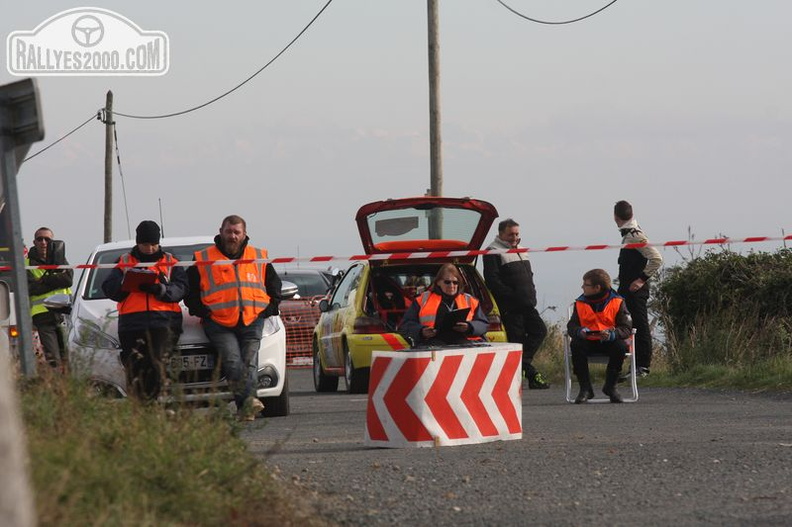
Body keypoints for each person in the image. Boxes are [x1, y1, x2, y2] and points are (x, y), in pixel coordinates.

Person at [184, 215, 282, 421]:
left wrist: (269, 309)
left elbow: (275, 286)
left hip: (252, 319)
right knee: (232, 361)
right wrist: (204, 312)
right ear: (221, 231)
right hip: (218, 322)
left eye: (237, 232)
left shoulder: (258, 255)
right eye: (229, 232)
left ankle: (245, 407)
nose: (232, 236)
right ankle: (248, 402)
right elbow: (190, 292)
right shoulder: (202, 257)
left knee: (249, 363)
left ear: (244, 234)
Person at [102, 221, 188, 402]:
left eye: (153, 244)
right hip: (131, 324)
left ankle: (153, 403)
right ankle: (141, 409)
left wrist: (160, 290)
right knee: (135, 368)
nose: (149, 249)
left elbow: (181, 288)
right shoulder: (123, 262)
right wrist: (128, 285)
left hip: (164, 322)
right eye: (145, 244)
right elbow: (110, 289)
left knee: (156, 363)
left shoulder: (172, 262)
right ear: (138, 242)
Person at [483, 218, 549, 389]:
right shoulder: (493, 252)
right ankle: (528, 375)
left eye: (517, 234)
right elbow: (492, 281)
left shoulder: (521, 249)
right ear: (500, 234)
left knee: (540, 331)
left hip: (527, 303)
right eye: (510, 234)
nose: (514, 237)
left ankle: (525, 366)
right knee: (516, 340)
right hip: (510, 307)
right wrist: (512, 296)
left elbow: (529, 275)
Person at [567, 269, 633, 403]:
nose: (582, 287)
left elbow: (627, 328)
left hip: (609, 342)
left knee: (620, 347)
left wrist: (612, 334)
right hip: (588, 341)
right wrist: (580, 331)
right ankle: (585, 389)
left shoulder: (618, 302)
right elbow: (571, 326)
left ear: (597, 288)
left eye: (586, 285)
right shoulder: (579, 303)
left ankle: (611, 387)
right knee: (576, 344)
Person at [614, 200, 663, 378]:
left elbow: (657, 259)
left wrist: (641, 279)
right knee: (627, 326)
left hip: (635, 291)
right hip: (627, 290)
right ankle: (631, 366)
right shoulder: (629, 234)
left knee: (640, 326)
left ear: (615, 217)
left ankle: (642, 366)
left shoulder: (635, 235)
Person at [400, 263, 489, 347]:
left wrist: (469, 327)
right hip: (432, 346)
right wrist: (421, 331)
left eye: (455, 282)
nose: (451, 285)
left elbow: (484, 324)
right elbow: (405, 325)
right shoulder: (422, 300)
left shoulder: (470, 300)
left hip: (465, 345)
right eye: (447, 282)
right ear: (438, 282)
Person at [26, 227, 73, 369]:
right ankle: (56, 386)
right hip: (42, 315)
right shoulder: (27, 264)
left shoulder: (61, 259)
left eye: (47, 239)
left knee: (68, 357)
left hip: (63, 313)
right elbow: (30, 288)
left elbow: (68, 280)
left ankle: (67, 387)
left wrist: (43, 281)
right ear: (34, 242)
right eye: (40, 239)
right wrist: (55, 280)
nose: (43, 242)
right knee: (53, 359)